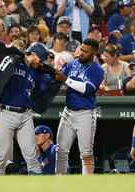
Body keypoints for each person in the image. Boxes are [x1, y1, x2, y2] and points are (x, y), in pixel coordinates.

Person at [0, 29, 59, 175]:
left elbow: (50, 75)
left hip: (25, 115)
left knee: (31, 155)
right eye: (39, 58)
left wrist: (54, 75)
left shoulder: (36, 72)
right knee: (1, 156)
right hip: (6, 113)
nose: (40, 62)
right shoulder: (12, 58)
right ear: (31, 54)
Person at [54, 38, 104, 174]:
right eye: (81, 49)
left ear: (94, 53)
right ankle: (59, 182)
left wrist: (65, 79)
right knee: (61, 150)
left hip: (85, 114)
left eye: (86, 51)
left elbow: (87, 89)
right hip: (68, 111)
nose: (81, 53)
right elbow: (58, 78)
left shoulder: (97, 70)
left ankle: (87, 185)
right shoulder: (73, 64)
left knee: (86, 153)